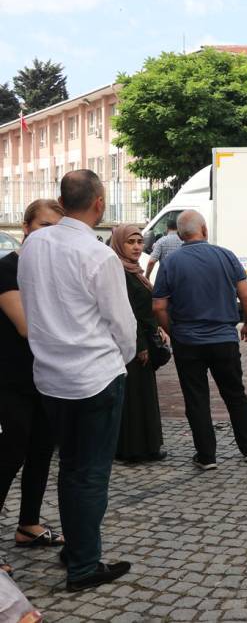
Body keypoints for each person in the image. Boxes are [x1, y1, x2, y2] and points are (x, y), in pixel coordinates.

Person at [18, 170, 136, 591]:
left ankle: (78, 547)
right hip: (93, 376)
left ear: (63, 201)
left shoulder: (33, 246)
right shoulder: (97, 254)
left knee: (70, 467)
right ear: (100, 203)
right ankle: (84, 564)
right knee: (89, 473)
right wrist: (118, 363)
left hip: (51, 376)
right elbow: (122, 324)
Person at [152, 210, 247, 471]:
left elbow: (158, 307)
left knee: (196, 398)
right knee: (235, 394)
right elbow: (246, 296)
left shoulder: (171, 262)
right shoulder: (225, 255)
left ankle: (207, 455)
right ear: (204, 230)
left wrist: (174, 332)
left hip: (188, 341)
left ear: (179, 234)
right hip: (224, 339)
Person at [0, 199, 65, 578]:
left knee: (42, 451)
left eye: (57, 228)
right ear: (26, 227)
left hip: (46, 377)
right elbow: (25, 325)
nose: (48, 234)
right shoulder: (8, 268)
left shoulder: (51, 274)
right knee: (9, 456)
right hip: (10, 380)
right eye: (43, 225)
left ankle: (28, 525)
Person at [110, 225, 165, 463]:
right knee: (134, 397)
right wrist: (140, 344)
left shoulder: (134, 271)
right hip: (131, 345)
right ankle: (132, 448)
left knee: (144, 394)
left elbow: (145, 310)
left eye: (139, 242)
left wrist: (158, 328)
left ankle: (147, 445)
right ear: (119, 244)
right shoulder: (119, 273)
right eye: (130, 242)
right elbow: (127, 312)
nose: (136, 247)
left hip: (142, 340)